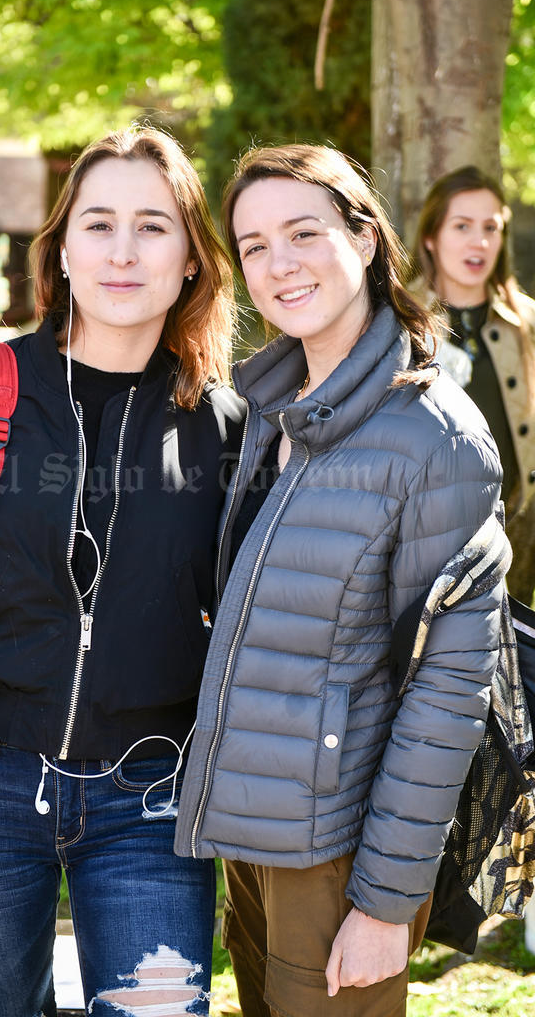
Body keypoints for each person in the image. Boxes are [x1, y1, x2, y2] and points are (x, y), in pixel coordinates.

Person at [0, 125, 244, 1017]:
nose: (121, 251)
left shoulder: (225, 424)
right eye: (98, 223)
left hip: (152, 795)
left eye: (153, 227)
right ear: (62, 248)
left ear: (190, 259)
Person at [173, 144, 505, 1017]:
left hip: (337, 854)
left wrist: (386, 904)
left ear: (364, 239)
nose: (278, 264)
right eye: (252, 246)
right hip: (252, 838)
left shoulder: (438, 436)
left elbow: (449, 690)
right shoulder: (267, 409)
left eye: (302, 232)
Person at [411, 166, 535, 605]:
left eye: (490, 228)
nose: (478, 242)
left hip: (517, 533)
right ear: (431, 236)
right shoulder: (399, 323)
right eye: (461, 226)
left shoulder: (527, 325)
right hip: (426, 537)